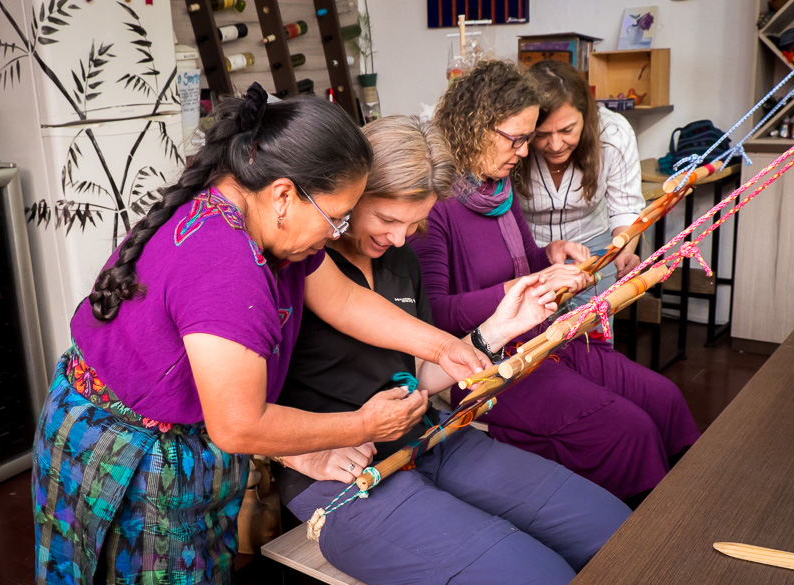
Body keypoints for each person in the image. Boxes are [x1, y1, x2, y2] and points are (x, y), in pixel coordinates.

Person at [31, 84, 489, 585]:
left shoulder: (261, 217)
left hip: (172, 436)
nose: (338, 233)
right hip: (132, 456)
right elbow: (238, 425)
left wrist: (441, 345)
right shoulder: (226, 266)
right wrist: (362, 425)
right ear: (284, 195)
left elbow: (345, 300)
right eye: (336, 217)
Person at [276, 115, 630, 585]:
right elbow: (228, 409)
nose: (399, 238)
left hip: (428, 440)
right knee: (535, 575)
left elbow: (418, 373)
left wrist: (496, 330)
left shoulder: (400, 257)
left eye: (414, 223)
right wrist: (300, 457)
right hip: (338, 475)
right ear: (349, 192)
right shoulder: (297, 262)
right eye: (386, 219)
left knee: (612, 529)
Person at [410, 60, 701, 507]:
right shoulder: (438, 205)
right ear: (475, 129)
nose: (526, 152)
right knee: (628, 428)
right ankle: (642, 533)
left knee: (663, 399)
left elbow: (523, 260)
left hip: (540, 336)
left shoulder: (498, 191)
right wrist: (525, 284)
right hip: (481, 360)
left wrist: (550, 255)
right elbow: (437, 313)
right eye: (518, 139)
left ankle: (690, 501)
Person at [516, 58, 642, 313]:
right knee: (533, 344)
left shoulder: (613, 133)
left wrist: (623, 252)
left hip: (594, 252)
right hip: (528, 253)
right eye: (541, 134)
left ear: (586, 116)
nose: (555, 144)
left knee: (591, 340)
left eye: (567, 130)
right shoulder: (515, 138)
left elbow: (625, 208)